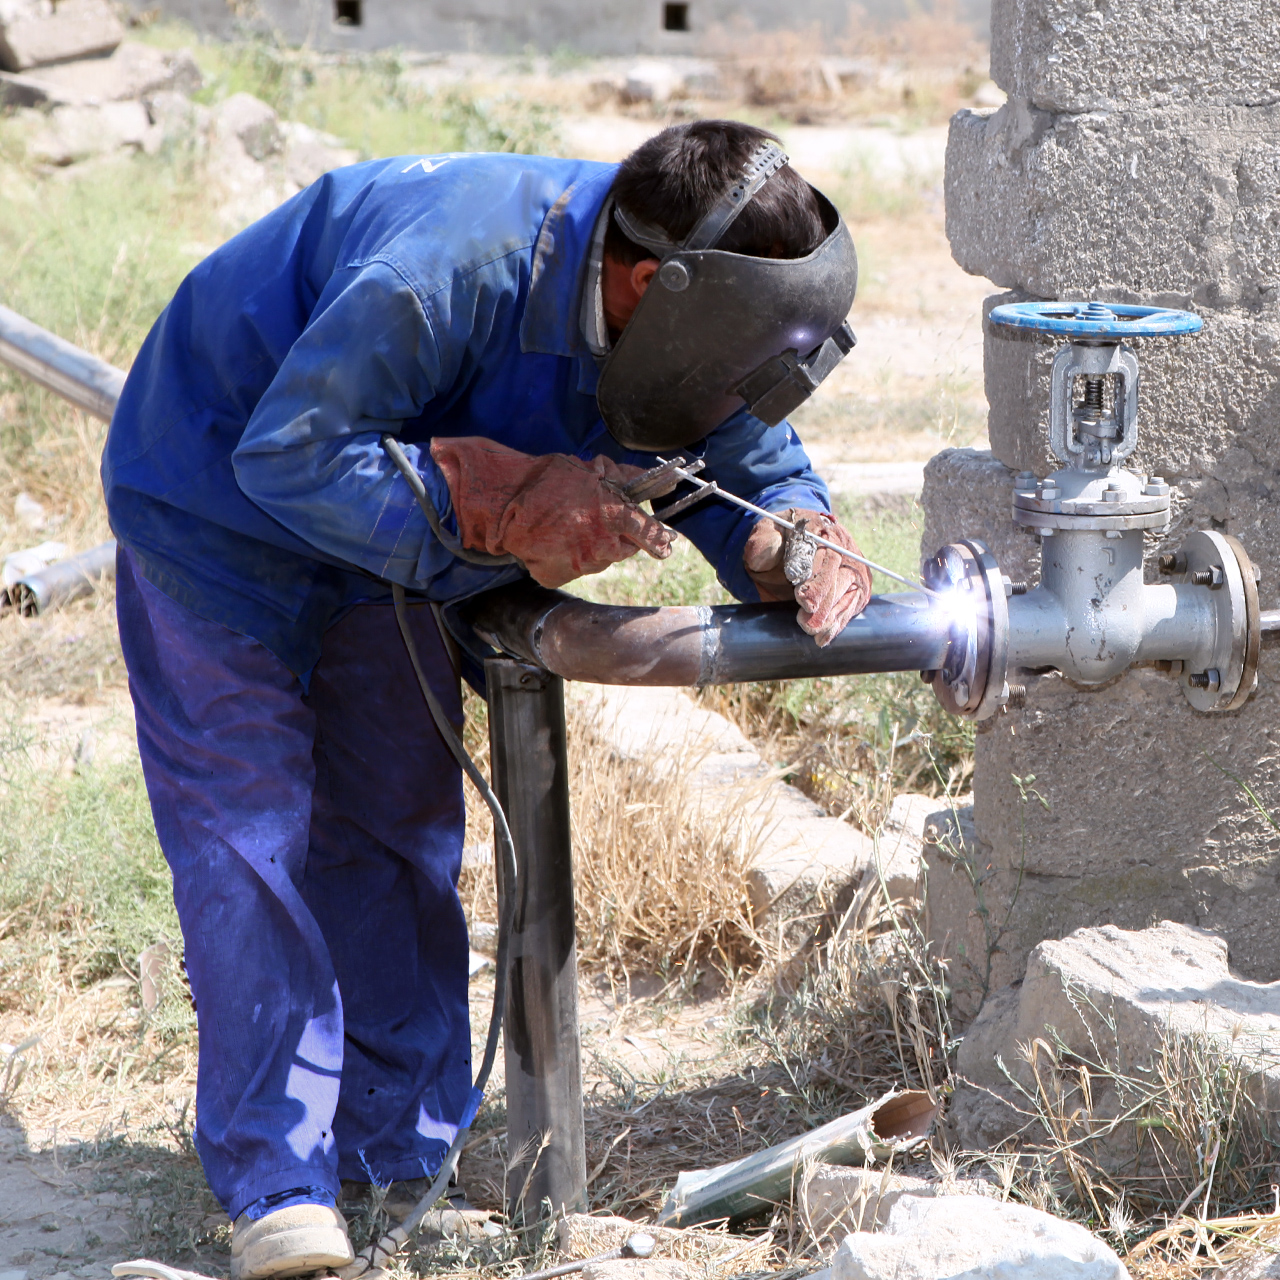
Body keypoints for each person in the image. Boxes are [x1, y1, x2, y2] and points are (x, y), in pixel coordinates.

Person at [101, 118, 872, 1280]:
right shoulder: (451, 272)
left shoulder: (669, 311)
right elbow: (291, 453)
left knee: (394, 826)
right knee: (251, 837)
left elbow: (729, 443)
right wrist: (504, 506)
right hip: (215, 508)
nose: (734, 380)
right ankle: (277, 1186)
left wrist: (787, 531)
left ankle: (397, 1161)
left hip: (383, 543)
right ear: (644, 284)